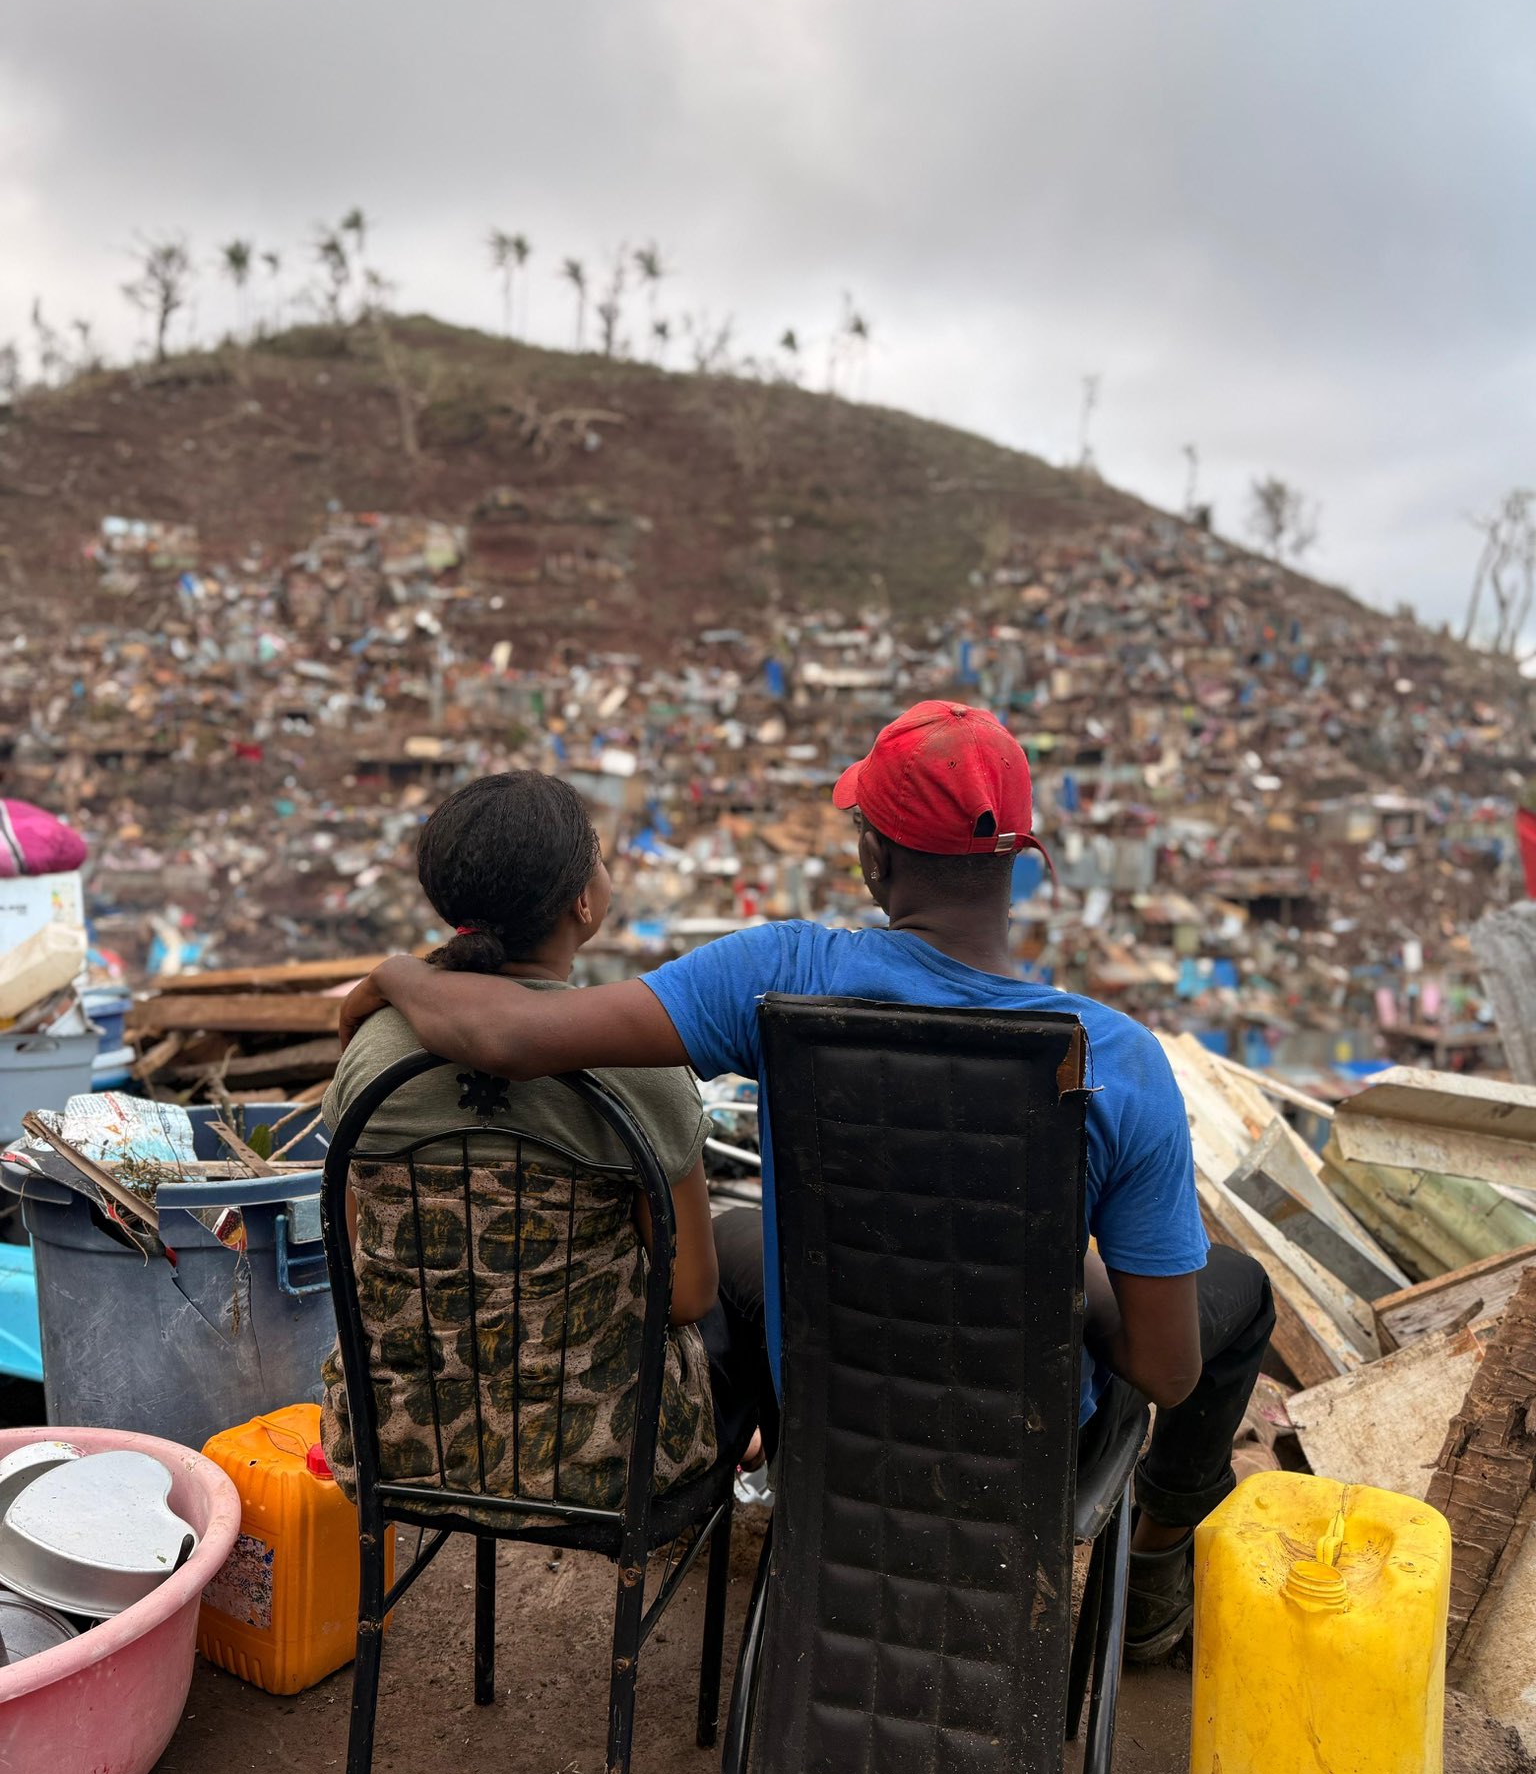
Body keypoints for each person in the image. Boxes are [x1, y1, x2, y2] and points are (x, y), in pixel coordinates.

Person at [339, 702, 1275, 1659]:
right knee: (1243, 1293)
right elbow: (1164, 1371)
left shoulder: (778, 972)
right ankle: (1161, 1565)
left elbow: (509, 1036)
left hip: (836, 1435)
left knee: (737, 1239)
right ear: (1017, 861)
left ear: (874, 854)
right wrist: (1043, 1271)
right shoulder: (1119, 1058)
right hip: (1023, 1459)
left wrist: (397, 975)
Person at [319, 770, 753, 1516]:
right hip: (604, 1460)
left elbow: (362, 1266)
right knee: (752, 1283)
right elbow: (686, 1297)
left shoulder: (374, 1053)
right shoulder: (641, 1068)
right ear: (583, 901)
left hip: (399, 1446)